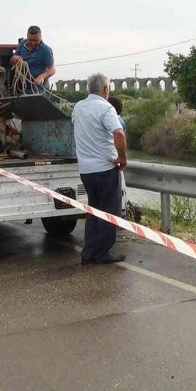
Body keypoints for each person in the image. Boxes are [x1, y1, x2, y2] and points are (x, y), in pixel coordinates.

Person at [72, 73, 128, 265]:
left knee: (93, 211)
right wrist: (122, 157)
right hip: (105, 168)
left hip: (86, 170)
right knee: (108, 212)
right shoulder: (106, 108)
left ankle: (88, 252)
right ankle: (102, 253)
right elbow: (119, 132)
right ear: (105, 90)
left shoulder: (78, 107)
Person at [9, 25, 55, 94]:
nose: (33, 43)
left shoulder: (46, 50)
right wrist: (15, 58)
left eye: (36, 40)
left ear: (40, 37)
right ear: (27, 36)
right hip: (23, 86)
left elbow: (52, 69)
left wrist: (42, 77)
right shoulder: (22, 44)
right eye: (30, 40)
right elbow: (13, 60)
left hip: (38, 88)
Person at [107, 96, 128, 218]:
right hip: (115, 161)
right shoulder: (121, 121)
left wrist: (121, 158)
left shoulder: (116, 122)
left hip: (114, 161)